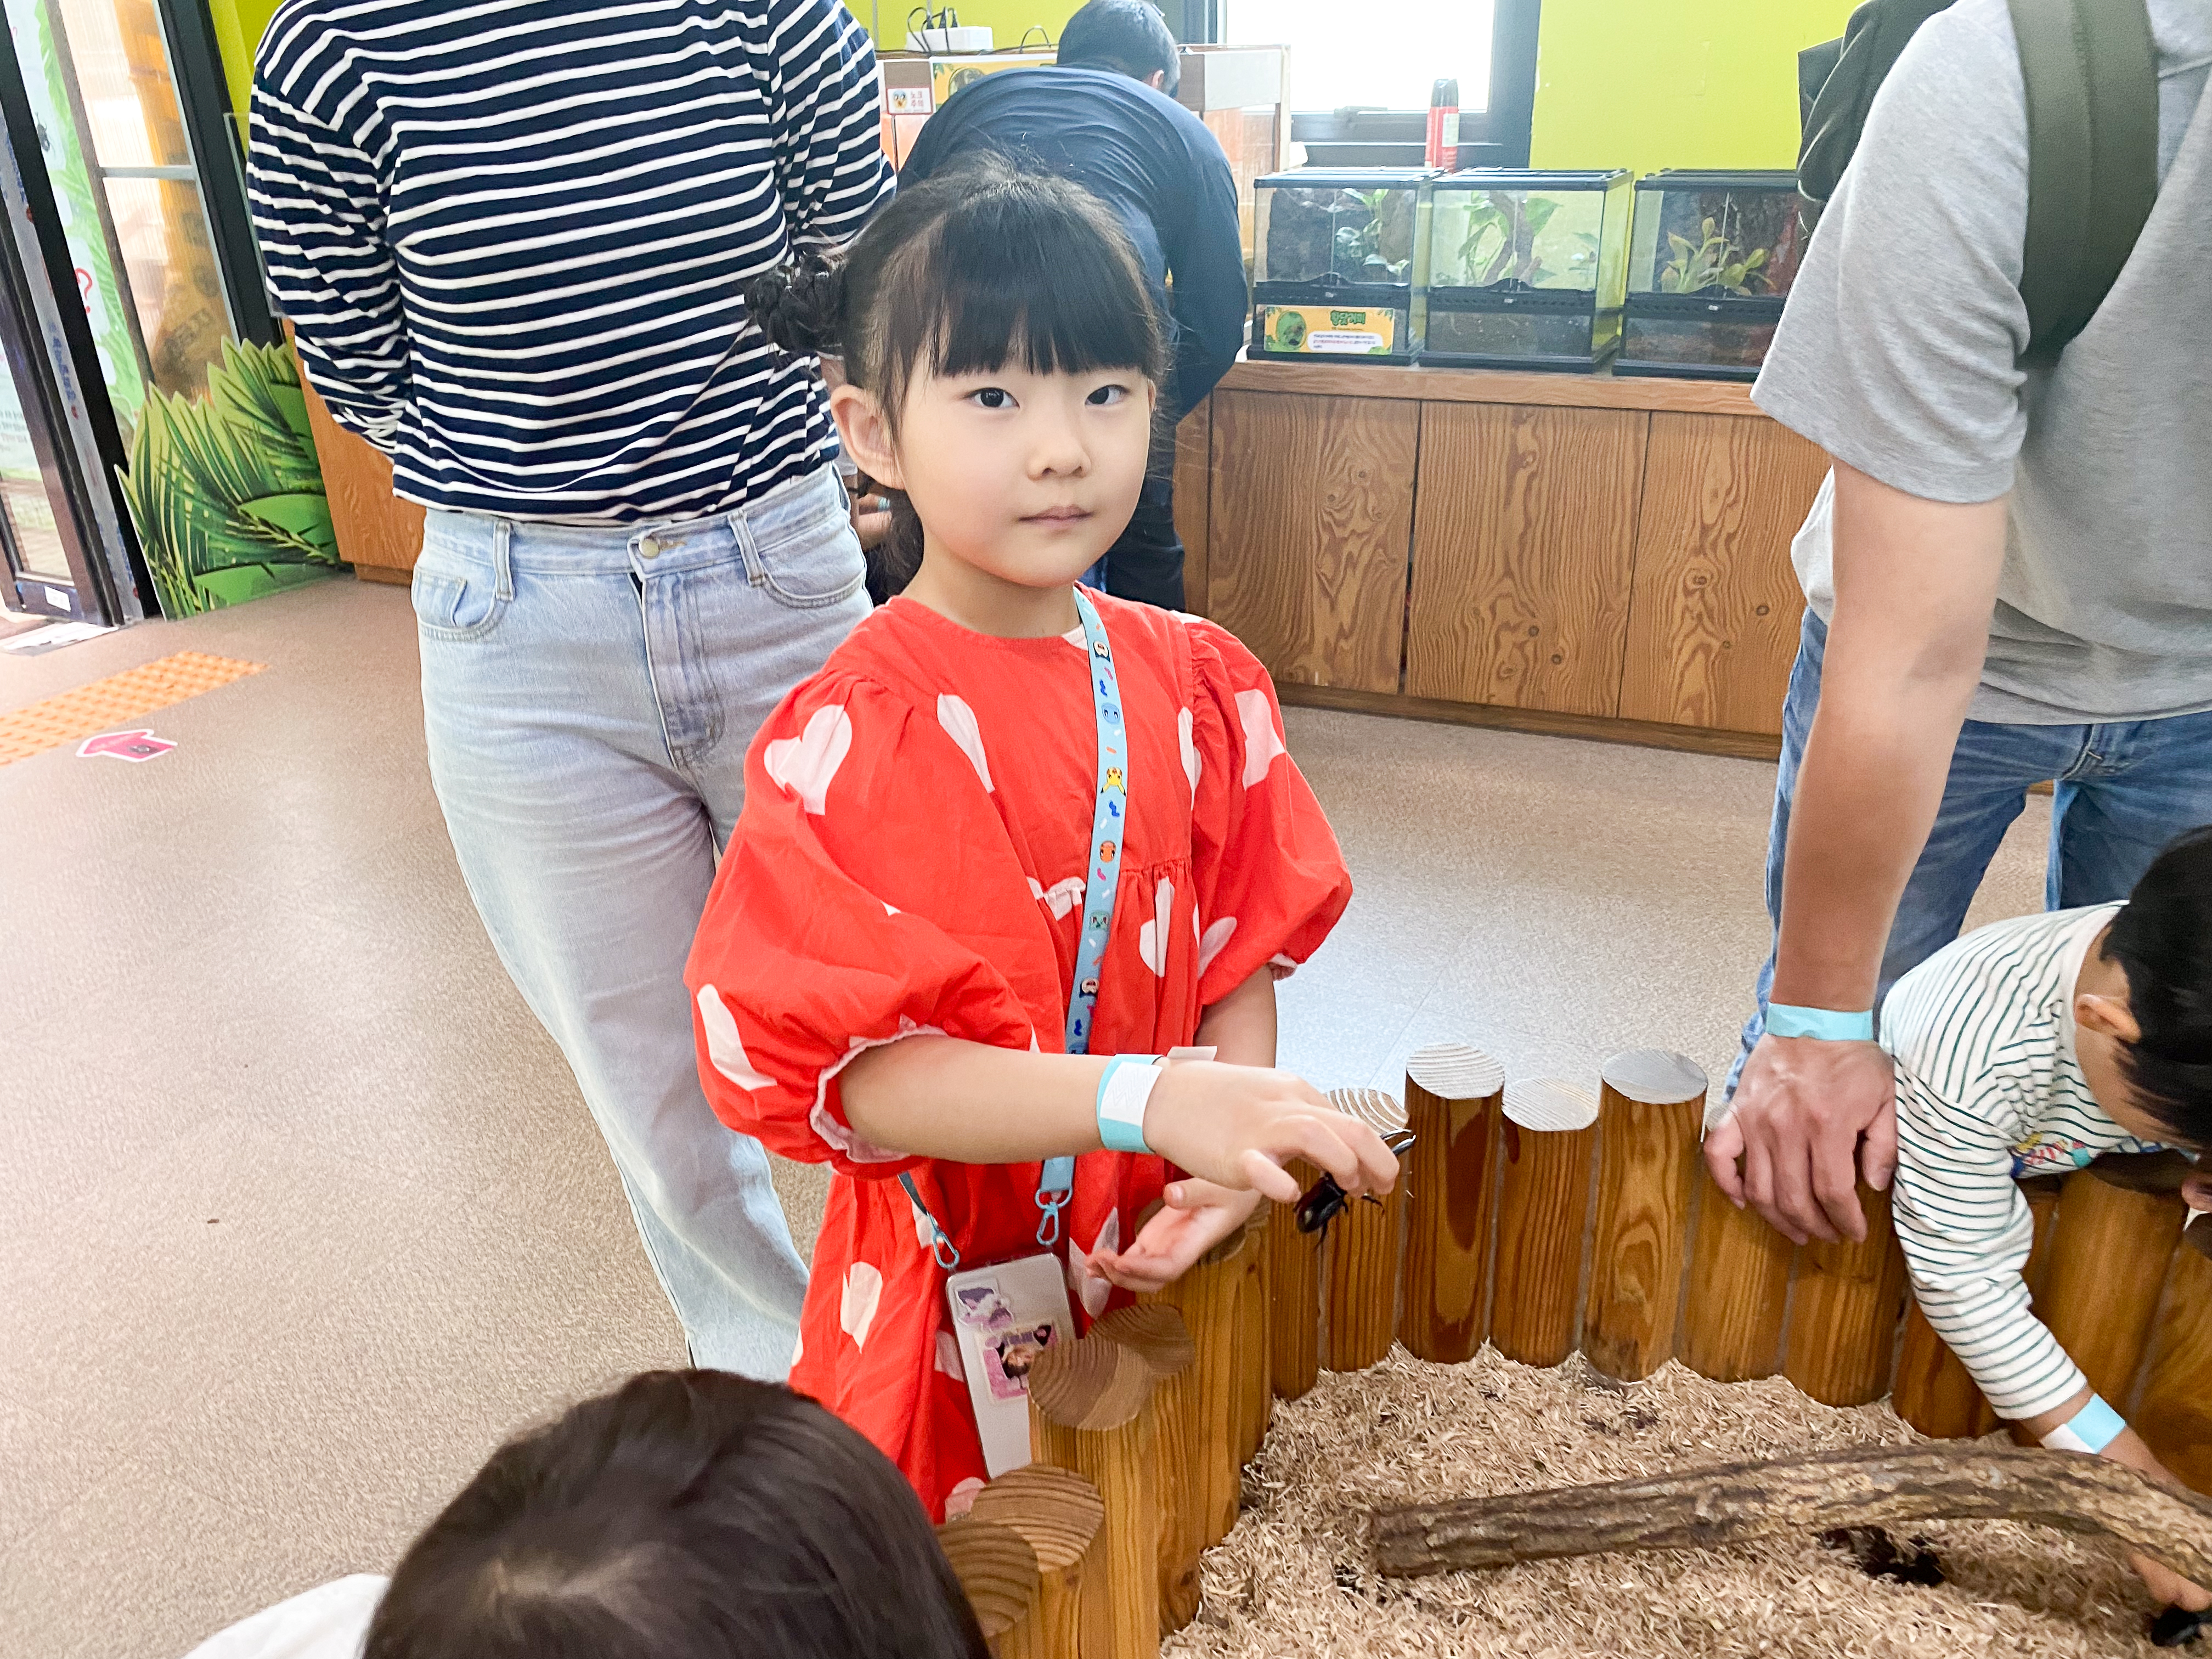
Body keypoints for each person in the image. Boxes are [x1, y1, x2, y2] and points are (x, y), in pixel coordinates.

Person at [686, 157, 1395, 1518]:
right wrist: (1148, 1098)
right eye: (994, 395)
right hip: (945, 1309)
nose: (1062, 446)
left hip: (1150, 1253)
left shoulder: (1197, 683)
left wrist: (1215, 1154)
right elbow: (867, 1081)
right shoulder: (850, 736)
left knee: (1149, 1548)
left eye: (1106, 392)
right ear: (872, 433)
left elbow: (1234, 949)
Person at [248, 0, 893, 1375]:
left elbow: (865, 276)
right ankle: (790, 1408)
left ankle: (959, 1373)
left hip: (775, 572)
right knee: (656, 1098)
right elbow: (355, 360)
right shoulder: (332, 48)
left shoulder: (774, 15)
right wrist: (521, 481)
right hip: (520, 622)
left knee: (896, 1013)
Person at [1707, 0, 2212, 1245]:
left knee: (2152, 1100)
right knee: (1824, 1061)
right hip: (1955, 645)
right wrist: (1818, 1027)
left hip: (2197, 683)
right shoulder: (2014, 87)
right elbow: (1916, 653)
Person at [1884, 826, 2212, 1612]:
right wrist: (2133, 1491)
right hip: (1938, 1173)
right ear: (2108, 1025)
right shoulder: (1970, 1046)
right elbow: (1966, 1283)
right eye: (2182, 1128)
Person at [895, 0, 1246, 611]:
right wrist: (1128, 412)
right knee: (1141, 547)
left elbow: (894, 269)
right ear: (1158, 78)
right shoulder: (1183, 129)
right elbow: (1218, 323)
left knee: (945, 539)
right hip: (1106, 322)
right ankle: (1156, 693)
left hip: (968, 335)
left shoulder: (969, 102)